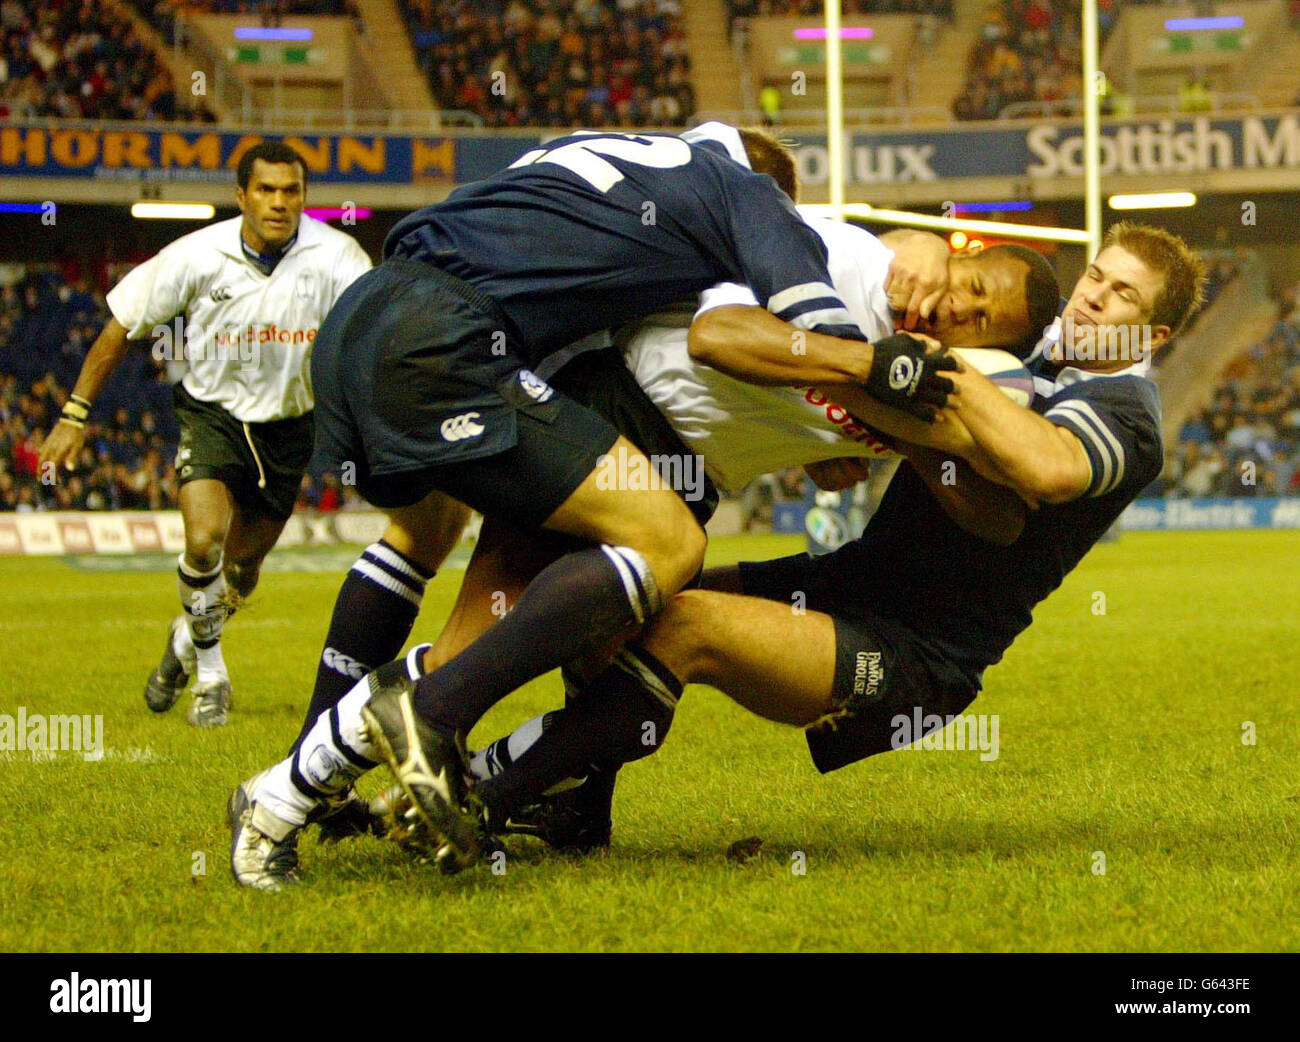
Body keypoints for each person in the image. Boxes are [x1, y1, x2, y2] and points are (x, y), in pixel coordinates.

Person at [228, 204, 1059, 888]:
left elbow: (994, 517)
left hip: (686, 473)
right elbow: (720, 336)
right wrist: (867, 374)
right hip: (618, 414)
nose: (962, 311)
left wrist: (913, 436)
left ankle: (534, 802)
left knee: (599, 649)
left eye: (985, 321)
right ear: (961, 251)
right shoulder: (855, 263)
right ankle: (286, 801)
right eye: (974, 287)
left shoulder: (930, 377)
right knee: (482, 647)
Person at [424, 222, 1208, 853]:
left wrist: (927, 388)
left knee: (687, 626)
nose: (1095, 297)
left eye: (1123, 296)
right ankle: (576, 808)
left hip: (917, 655)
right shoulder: (1035, 353)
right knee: (627, 588)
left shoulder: (1126, 418)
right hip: (848, 583)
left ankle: (478, 799)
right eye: (1097, 276)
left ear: (1157, 331)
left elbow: (1046, 471)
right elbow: (929, 412)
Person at [39, 142, 373, 727]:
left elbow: (370, 334)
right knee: (204, 542)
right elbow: (121, 326)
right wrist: (74, 413)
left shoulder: (338, 257)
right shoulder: (197, 254)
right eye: (265, 190)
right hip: (212, 414)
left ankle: (184, 641)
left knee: (241, 573)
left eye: (290, 191)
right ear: (241, 196)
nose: (278, 202)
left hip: (290, 426)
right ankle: (213, 676)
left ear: (304, 197)